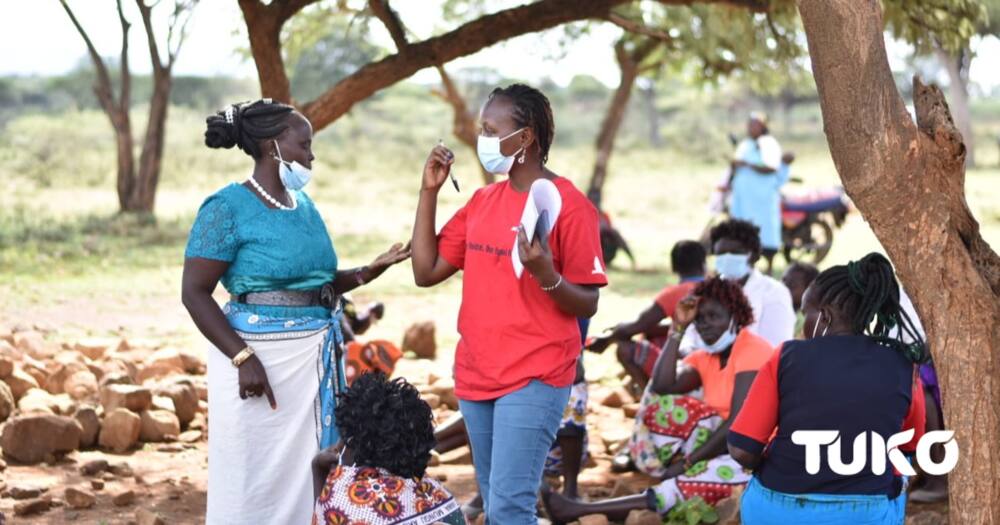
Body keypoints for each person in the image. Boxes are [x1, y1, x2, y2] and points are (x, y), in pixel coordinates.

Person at [182, 99, 410, 524]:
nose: (311, 155)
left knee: (314, 468)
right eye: (304, 144)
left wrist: (366, 272)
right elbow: (194, 293)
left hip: (313, 358)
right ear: (273, 146)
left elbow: (315, 283)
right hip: (257, 361)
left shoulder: (302, 205)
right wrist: (242, 357)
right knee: (256, 475)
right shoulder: (225, 208)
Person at [411, 84, 607, 524]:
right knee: (494, 496)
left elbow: (588, 302)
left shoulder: (570, 207)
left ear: (526, 138)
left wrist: (547, 276)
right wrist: (429, 193)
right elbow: (425, 272)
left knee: (509, 507)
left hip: (535, 374)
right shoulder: (483, 201)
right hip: (477, 373)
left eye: (490, 129)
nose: (481, 139)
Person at [543, 277, 772, 522]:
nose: (705, 325)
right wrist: (677, 329)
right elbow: (662, 387)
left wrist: (688, 462)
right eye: (700, 319)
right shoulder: (709, 356)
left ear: (736, 316)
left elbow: (738, 425)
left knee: (685, 484)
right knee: (666, 409)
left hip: (756, 455)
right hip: (724, 448)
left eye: (713, 316)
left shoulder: (752, 350)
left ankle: (578, 511)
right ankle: (682, 474)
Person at [728, 253, 927, 524]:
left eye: (805, 313)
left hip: (779, 509)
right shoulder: (904, 365)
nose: (802, 324)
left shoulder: (786, 356)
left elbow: (742, 451)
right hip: (864, 513)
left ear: (826, 316)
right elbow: (910, 445)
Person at [311, 372, 467, 525]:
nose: (338, 445)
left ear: (354, 445)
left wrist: (317, 469)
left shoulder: (344, 505)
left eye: (343, 438)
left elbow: (322, 517)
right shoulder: (439, 495)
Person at [683, 219, 795, 349]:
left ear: (753, 256)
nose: (727, 258)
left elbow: (776, 345)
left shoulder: (773, 292)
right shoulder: (706, 291)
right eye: (721, 253)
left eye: (735, 252)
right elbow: (689, 338)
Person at [729, 112, 785, 274]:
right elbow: (736, 164)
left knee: (765, 231)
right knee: (743, 230)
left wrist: (747, 163)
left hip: (762, 198)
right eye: (750, 124)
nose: (751, 127)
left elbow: (771, 166)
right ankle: (746, 267)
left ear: (763, 126)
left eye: (755, 124)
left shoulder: (768, 143)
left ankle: (769, 267)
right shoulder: (745, 145)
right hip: (745, 198)